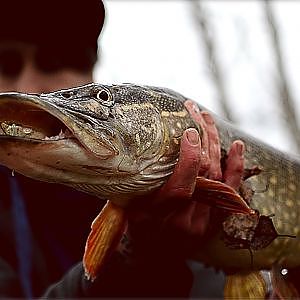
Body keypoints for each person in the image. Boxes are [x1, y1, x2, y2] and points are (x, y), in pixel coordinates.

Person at [0, 0, 245, 298]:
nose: (28, 86)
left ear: (90, 72)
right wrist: (130, 263)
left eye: (54, 60)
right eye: (6, 65)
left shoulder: (196, 205)